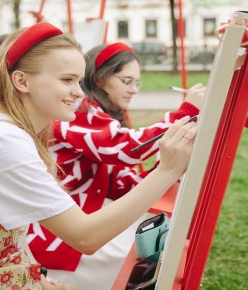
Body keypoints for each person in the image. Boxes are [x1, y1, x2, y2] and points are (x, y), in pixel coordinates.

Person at [0, 22, 197, 289]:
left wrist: (33, 279)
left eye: (79, 80)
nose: (80, 92)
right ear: (22, 81)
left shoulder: (4, 129)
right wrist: (166, 171)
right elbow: (86, 237)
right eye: (67, 80)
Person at [28, 41, 206, 288]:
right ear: (100, 79)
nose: (133, 90)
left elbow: (122, 178)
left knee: (155, 251)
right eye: (126, 81)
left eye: (136, 83)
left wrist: (166, 168)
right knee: (148, 263)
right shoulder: (78, 109)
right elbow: (126, 149)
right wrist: (186, 112)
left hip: (79, 215)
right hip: (59, 230)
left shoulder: (95, 112)